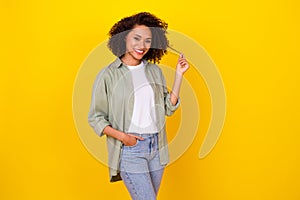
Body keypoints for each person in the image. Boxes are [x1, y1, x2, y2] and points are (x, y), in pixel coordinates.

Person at [88, 12, 189, 200]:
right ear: (124, 37)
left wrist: (179, 75)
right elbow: (96, 117)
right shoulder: (108, 75)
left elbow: (168, 107)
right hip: (130, 150)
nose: (142, 46)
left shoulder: (154, 71)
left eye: (148, 40)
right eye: (136, 38)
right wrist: (124, 138)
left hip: (157, 148)